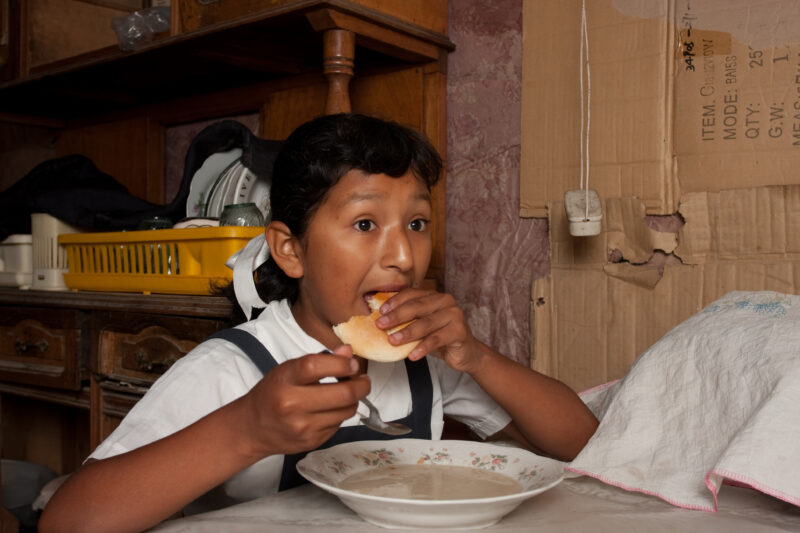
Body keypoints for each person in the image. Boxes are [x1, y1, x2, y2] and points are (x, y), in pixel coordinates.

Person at [39, 113, 598, 532]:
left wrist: (476, 356)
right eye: (365, 223)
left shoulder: (422, 359)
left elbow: (582, 444)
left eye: (417, 222)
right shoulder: (230, 368)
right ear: (290, 250)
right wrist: (246, 428)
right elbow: (67, 521)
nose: (403, 256)